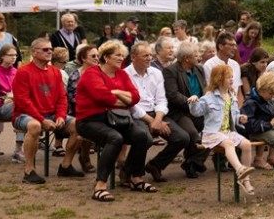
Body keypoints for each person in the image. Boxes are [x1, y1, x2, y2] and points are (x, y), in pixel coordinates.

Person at [76, 40, 155, 201]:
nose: (121, 58)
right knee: (115, 138)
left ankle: (134, 177)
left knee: (143, 136)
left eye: (122, 55)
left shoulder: (122, 74)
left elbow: (135, 98)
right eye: (117, 55)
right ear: (106, 57)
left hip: (117, 119)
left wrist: (117, 92)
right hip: (90, 120)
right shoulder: (92, 73)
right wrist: (123, 98)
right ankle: (100, 185)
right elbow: (102, 97)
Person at [11, 37, 83, 184]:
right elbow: (22, 101)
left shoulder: (56, 72)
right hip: (24, 115)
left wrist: (61, 116)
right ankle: (29, 171)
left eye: (51, 49)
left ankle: (66, 166)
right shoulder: (23, 71)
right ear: (34, 52)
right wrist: (42, 119)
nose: (50, 52)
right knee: (35, 126)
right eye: (45, 49)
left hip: (50, 114)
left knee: (80, 125)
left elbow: (62, 97)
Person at [125, 41, 189, 184]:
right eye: (145, 56)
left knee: (182, 138)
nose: (149, 58)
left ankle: (155, 165)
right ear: (133, 57)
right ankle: (130, 172)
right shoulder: (125, 74)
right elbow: (131, 105)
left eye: (151, 55)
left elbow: (161, 99)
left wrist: (158, 119)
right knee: (145, 138)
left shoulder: (156, 73)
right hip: (136, 116)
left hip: (157, 114)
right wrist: (151, 121)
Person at [188, 64, 256, 194]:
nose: (232, 80)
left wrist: (240, 118)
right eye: (228, 77)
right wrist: (193, 102)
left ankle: (245, 180)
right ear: (219, 79)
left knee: (247, 144)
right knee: (229, 144)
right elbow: (196, 112)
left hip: (228, 132)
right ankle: (240, 169)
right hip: (212, 133)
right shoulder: (209, 97)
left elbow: (234, 116)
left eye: (232, 77)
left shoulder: (232, 96)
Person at [162, 41, 210, 178]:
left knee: (213, 129)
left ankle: (192, 162)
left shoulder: (199, 69)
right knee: (192, 134)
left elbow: (205, 89)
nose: (199, 56)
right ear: (186, 58)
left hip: (199, 110)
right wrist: (191, 102)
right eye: (196, 54)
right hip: (180, 111)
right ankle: (192, 163)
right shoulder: (170, 71)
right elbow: (172, 95)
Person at [66, 43, 99, 173]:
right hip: (78, 111)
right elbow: (73, 98)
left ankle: (119, 161)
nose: (97, 58)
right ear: (83, 58)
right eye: (93, 56)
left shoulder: (102, 73)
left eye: (97, 56)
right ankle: (84, 156)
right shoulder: (76, 75)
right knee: (88, 123)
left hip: (98, 109)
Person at [203, 33, 242, 101]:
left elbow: (238, 90)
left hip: (234, 104)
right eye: (231, 45)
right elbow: (209, 90)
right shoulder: (209, 65)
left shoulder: (235, 65)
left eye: (235, 45)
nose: (235, 48)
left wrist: (239, 106)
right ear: (221, 46)